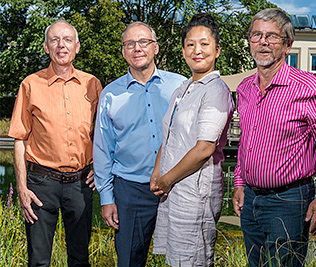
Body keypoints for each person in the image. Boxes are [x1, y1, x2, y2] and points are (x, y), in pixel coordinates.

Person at [232, 8, 316, 267]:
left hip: (288, 201)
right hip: (251, 199)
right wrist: (239, 182)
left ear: (288, 45)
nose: (262, 41)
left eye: (271, 36)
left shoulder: (308, 88)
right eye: (256, 35)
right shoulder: (244, 89)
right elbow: (246, 142)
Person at [8, 19, 102, 266]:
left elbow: (103, 135)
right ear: (46, 47)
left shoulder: (93, 84)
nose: (62, 45)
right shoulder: (30, 84)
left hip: (81, 184)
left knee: (80, 259)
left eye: (68, 40)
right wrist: (21, 187)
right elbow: (19, 139)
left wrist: (100, 167)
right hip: (40, 184)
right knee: (38, 261)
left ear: (77, 47)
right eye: (55, 40)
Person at [93, 21, 186, 266]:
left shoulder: (181, 86)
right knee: (130, 260)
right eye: (130, 44)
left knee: (185, 259)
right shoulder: (110, 94)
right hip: (130, 190)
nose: (137, 48)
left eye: (143, 42)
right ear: (123, 51)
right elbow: (103, 149)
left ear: (155, 47)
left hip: (177, 185)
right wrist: (106, 197)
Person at [150, 13, 234, 267]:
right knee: (177, 259)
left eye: (204, 44)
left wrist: (166, 179)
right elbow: (169, 133)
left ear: (217, 50)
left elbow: (204, 148)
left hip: (194, 192)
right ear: (183, 50)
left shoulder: (216, 90)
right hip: (173, 188)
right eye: (190, 44)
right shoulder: (183, 88)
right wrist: (156, 173)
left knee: (193, 258)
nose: (197, 50)